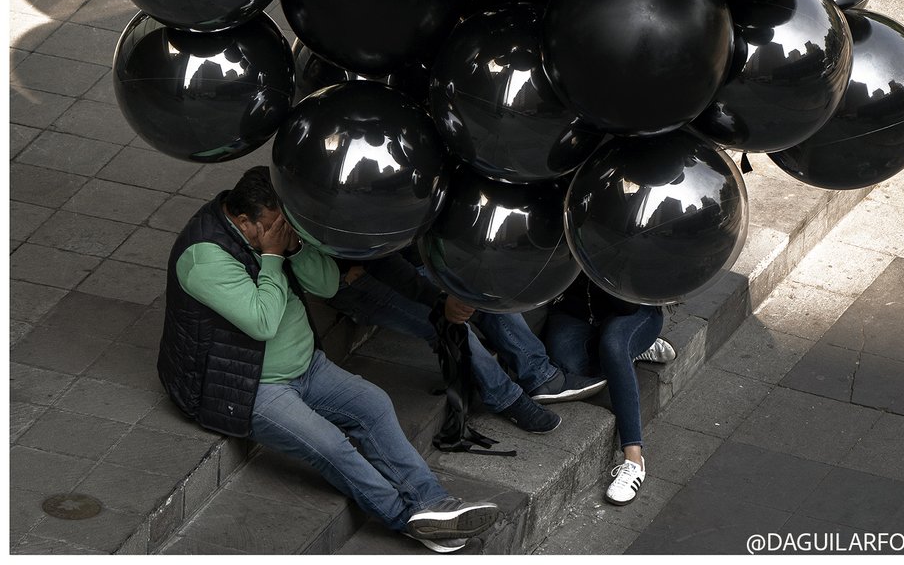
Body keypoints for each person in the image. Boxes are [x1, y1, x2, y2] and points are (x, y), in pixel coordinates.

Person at [157, 166, 500, 553]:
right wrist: (273, 257)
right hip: (247, 385)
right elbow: (262, 322)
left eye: (287, 226)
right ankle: (409, 522)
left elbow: (326, 284)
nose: (282, 233)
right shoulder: (204, 257)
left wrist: (296, 249)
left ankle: (435, 502)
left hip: (307, 366)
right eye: (273, 227)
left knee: (373, 404)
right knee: (332, 447)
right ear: (242, 221)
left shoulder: (276, 230)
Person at [325, 248, 608, 435]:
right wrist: (439, 299)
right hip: (355, 280)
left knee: (480, 288)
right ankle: (505, 397)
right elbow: (381, 261)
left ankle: (541, 375)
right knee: (444, 321)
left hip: (403, 261)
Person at [543, 273, 676, 506]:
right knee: (570, 363)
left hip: (631, 310)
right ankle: (629, 351)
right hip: (578, 312)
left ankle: (634, 460)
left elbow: (629, 304)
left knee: (614, 346)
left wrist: (602, 264)